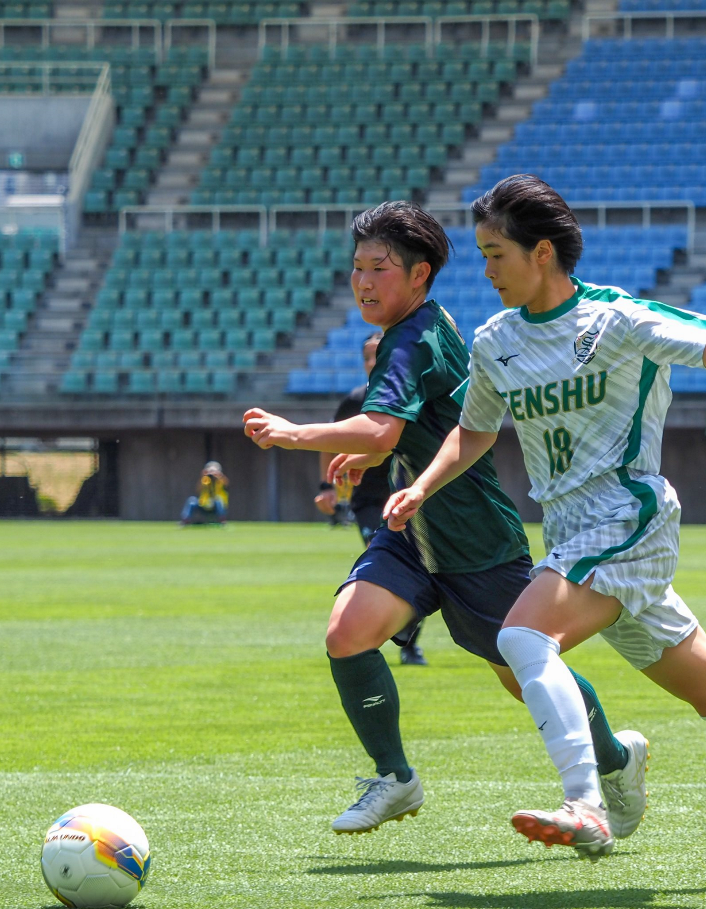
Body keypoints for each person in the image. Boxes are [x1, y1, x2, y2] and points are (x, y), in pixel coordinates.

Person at [384, 175, 706, 859]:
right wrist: (423, 484)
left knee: (523, 638)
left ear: (542, 253)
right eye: (480, 253)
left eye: (495, 253)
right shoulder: (494, 340)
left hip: (629, 516)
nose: (485, 270)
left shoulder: (617, 319)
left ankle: (585, 802)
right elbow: (475, 431)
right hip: (573, 534)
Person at [242, 200, 647, 839]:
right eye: (356, 268)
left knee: (526, 676)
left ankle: (618, 760)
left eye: (379, 268)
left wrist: (293, 433)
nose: (364, 282)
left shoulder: (416, 337)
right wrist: (372, 451)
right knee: (347, 633)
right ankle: (395, 778)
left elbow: (383, 428)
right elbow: (408, 431)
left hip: (474, 538)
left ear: (420, 274)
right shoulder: (422, 328)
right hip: (412, 531)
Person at [315, 332, 429, 665]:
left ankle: (408, 642)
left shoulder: (414, 397)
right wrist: (327, 488)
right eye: (366, 357)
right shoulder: (353, 401)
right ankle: (372, 635)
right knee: (384, 563)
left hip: (409, 500)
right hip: (368, 502)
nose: (371, 362)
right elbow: (329, 442)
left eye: (377, 355)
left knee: (421, 569)